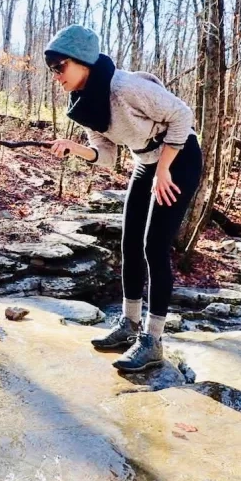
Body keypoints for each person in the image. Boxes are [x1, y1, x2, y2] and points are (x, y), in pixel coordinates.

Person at [43, 24, 202, 372]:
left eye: (61, 67)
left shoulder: (125, 86)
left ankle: (153, 340)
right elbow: (105, 155)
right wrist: (77, 149)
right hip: (146, 162)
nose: (56, 75)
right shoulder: (84, 102)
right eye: (52, 69)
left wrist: (164, 169)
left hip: (179, 159)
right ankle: (130, 325)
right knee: (130, 244)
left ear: (83, 61)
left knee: (154, 247)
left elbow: (182, 115)